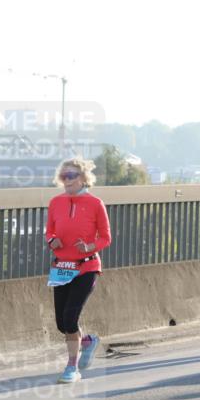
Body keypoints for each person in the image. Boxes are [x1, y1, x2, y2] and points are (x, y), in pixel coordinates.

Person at [45, 157, 112, 384]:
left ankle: (72, 367)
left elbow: (106, 238)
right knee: (62, 324)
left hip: (87, 267)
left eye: (71, 175)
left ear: (83, 178)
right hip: (62, 267)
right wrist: (52, 240)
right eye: (63, 176)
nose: (67, 180)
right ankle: (87, 341)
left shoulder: (95, 204)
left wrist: (89, 247)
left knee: (70, 317)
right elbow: (49, 231)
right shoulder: (55, 202)